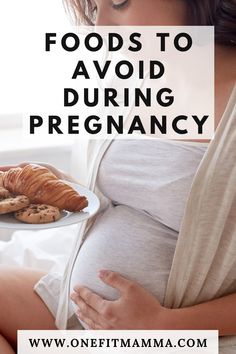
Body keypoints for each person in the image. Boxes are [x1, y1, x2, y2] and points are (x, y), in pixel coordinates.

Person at [0, 1, 235, 353]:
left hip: (170, 337)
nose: (103, 27)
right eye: (95, 9)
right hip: (79, 314)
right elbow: (126, 198)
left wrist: (163, 326)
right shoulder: (134, 78)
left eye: (119, 2)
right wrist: (57, 186)